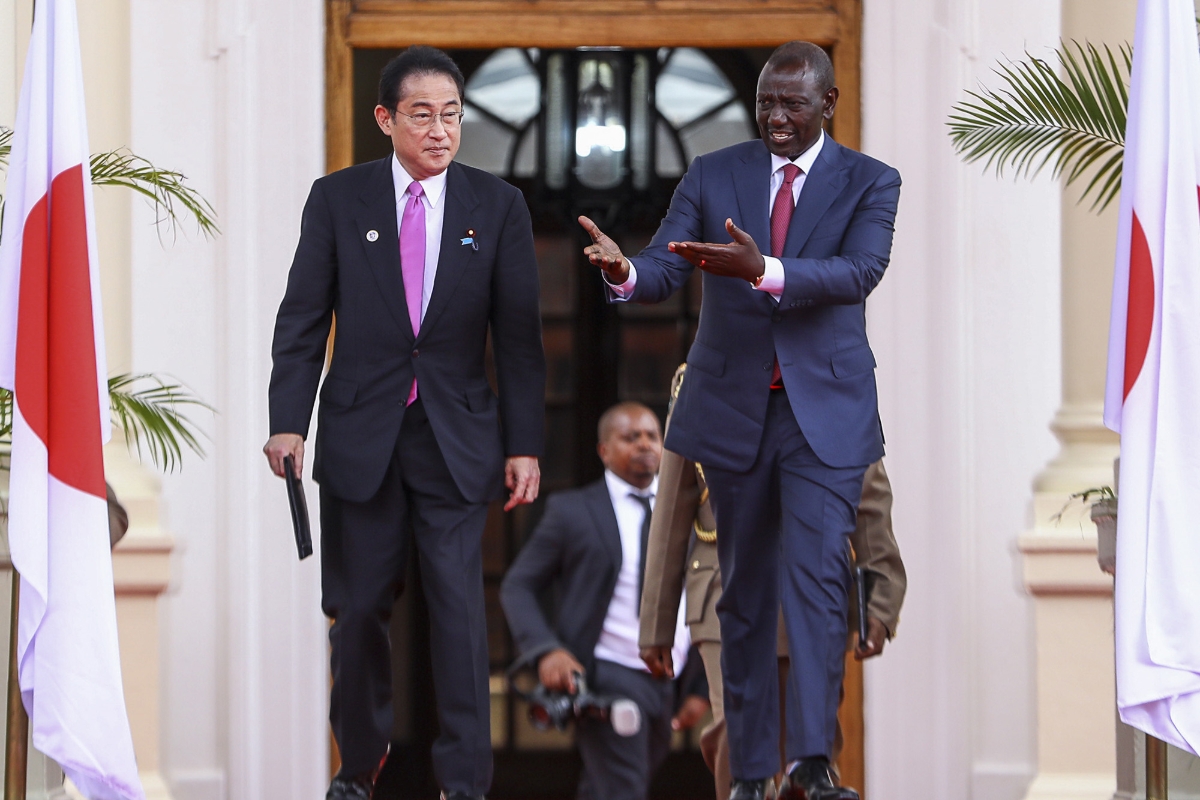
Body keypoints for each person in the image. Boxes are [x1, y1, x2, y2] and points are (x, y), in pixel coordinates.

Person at [578, 41, 901, 800]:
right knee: (745, 591)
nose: (776, 118)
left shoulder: (870, 182)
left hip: (823, 413)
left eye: (793, 104)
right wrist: (626, 272)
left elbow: (861, 272)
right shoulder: (712, 172)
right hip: (732, 412)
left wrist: (765, 271)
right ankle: (752, 774)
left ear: (827, 105)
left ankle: (815, 763)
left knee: (819, 578)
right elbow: (666, 263)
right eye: (765, 103)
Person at [263, 46, 545, 800]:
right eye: (422, 114)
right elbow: (301, 319)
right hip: (361, 438)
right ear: (386, 119)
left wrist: (524, 445)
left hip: (456, 439)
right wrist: (288, 421)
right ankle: (359, 767)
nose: (440, 130)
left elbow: (519, 339)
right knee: (356, 613)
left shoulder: (499, 206)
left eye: (451, 114)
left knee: (457, 613)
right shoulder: (338, 198)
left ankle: (464, 782)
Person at [639, 365, 908, 800]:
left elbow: (868, 496)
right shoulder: (704, 376)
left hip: (815, 591)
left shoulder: (833, 375)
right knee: (738, 731)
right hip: (725, 590)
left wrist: (881, 597)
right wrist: (656, 622)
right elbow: (673, 505)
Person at [500, 402, 708, 800]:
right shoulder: (572, 512)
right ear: (604, 450)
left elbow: (706, 594)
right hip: (607, 674)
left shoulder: (693, 510)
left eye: (652, 435)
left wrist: (698, 686)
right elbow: (518, 586)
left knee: (609, 787)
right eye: (630, 437)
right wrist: (546, 652)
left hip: (669, 680)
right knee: (622, 787)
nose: (645, 443)